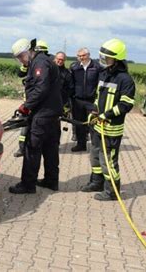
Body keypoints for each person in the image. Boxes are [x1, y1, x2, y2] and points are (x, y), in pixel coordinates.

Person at [81, 38, 135, 201]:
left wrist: (106, 115)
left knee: (108, 162)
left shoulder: (125, 80)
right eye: (102, 57)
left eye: (107, 58)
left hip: (112, 129)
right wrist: (95, 111)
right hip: (98, 126)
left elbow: (126, 105)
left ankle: (112, 191)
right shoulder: (104, 74)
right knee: (95, 156)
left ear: (117, 60)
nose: (103, 60)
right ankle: (96, 182)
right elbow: (99, 97)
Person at [8, 38, 63, 194]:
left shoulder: (39, 63)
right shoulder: (42, 61)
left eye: (20, 56)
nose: (20, 60)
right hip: (51, 113)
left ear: (28, 51)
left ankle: (27, 184)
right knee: (50, 147)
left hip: (43, 114)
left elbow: (41, 88)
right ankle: (51, 180)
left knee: (32, 148)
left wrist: (26, 106)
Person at [70, 48, 103, 152]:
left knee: (93, 123)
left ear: (88, 55)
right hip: (78, 100)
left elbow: (101, 83)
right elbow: (71, 83)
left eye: (83, 55)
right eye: (79, 56)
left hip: (91, 101)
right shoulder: (74, 67)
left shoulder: (97, 67)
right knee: (79, 124)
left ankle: (95, 146)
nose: (81, 58)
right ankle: (81, 145)